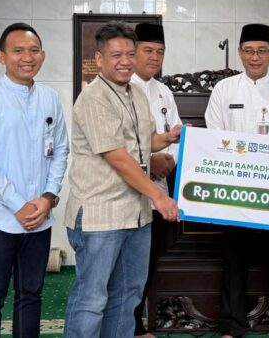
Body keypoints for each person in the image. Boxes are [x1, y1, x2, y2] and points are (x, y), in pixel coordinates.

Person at [64, 21, 181, 338]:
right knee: (92, 298)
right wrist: (158, 196)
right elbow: (117, 156)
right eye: (116, 55)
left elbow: (141, 143)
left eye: (130, 54)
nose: (125, 61)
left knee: (128, 295)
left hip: (136, 215)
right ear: (99, 58)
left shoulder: (137, 94)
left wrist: (167, 138)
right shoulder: (93, 98)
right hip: (101, 216)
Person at [0, 22, 69, 338]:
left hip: (40, 216)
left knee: (31, 295)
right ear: (2, 57)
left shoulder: (50, 98)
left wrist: (48, 197)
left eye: (34, 50)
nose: (27, 57)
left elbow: (60, 150)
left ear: (43, 55)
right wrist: (17, 205)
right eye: (18, 51)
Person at [204, 23, 269, 338]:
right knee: (234, 260)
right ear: (239, 53)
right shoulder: (225, 89)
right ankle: (231, 326)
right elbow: (214, 135)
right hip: (236, 190)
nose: (255, 57)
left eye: (262, 50)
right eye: (249, 51)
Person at [130, 23, 182, 338]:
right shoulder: (122, 87)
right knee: (128, 268)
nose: (154, 57)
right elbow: (119, 144)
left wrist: (168, 160)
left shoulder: (164, 91)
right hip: (129, 194)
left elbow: (175, 134)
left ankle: (136, 326)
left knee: (147, 264)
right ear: (133, 52)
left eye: (160, 52)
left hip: (159, 194)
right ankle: (128, 327)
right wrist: (150, 162)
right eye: (147, 50)